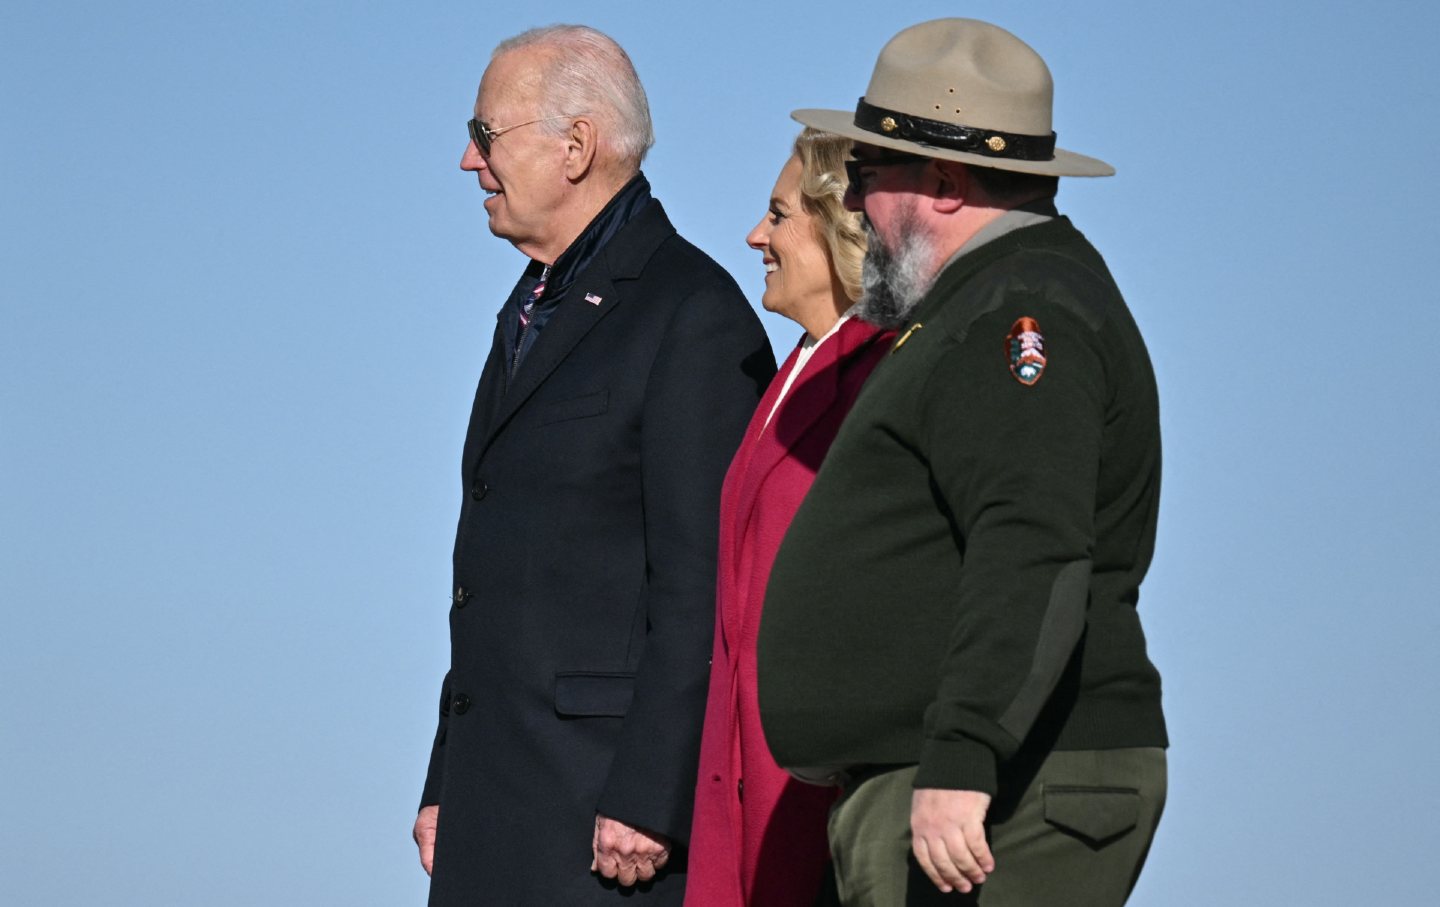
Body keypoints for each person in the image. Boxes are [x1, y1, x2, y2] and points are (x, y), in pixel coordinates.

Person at [757, 18, 1168, 906]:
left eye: (866, 172)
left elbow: (1031, 538)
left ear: (942, 183)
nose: (855, 201)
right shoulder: (981, 306)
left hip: (999, 788)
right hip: (958, 778)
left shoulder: (1023, 314)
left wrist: (963, 754)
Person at [413, 24, 775, 906]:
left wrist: (652, 795)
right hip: (498, 807)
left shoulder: (692, 315)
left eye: (486, 132)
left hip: (604, 825)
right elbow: (501, 576)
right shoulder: (531, 309)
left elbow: (704, 581)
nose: (469, 159)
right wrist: (446, 771)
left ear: (575, 147)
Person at [684, 129, 892, 907]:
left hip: (810, 788)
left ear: (841, 226)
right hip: (741, 774)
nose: (754, 235)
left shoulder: (879, 374)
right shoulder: (790, 374)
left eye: (777, 215)